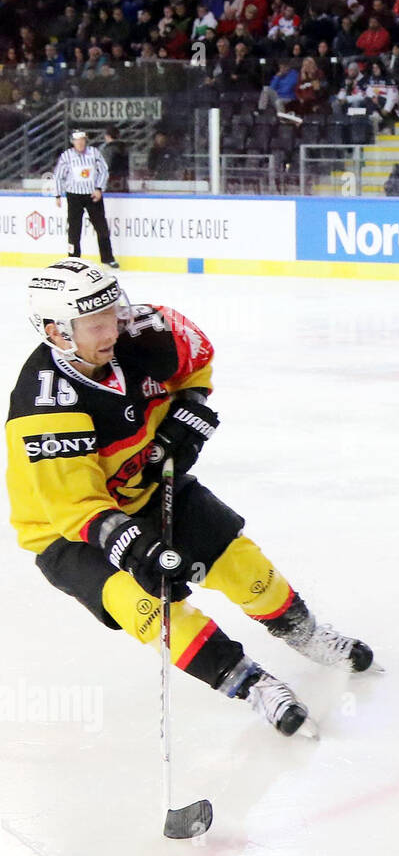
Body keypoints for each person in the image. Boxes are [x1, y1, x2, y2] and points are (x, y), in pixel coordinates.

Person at [7, 261, 378, 739]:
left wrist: (191, 408)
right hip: (71, 534)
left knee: (239, 562)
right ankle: (251, 684)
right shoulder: (45, 406)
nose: (111, 329)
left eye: (111, 312)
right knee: (152, 609)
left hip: (148, 486)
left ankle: (305, 633)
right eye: (94, 323)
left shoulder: (143, 332)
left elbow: (196, 362)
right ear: (57, 332)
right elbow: (77, 508)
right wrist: (137, 548)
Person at [53, 130, 117, 269]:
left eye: (82, 140)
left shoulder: (94, 153)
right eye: (77, 140)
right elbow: (58, 175)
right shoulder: (67, 156)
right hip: (74, 195)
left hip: (92, 195)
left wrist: (99, 188)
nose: (80, 143)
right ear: (73, 142)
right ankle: (73, 259)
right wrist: (58, 194)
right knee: (74, 228)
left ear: (85, 140)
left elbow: (104, 171)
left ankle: (108, 258)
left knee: (101, 227)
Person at [100, 126, 129, 193]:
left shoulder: (108, 149)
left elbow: (105, 167)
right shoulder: (124, 147)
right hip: (123, 180)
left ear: (107, 136)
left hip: (111, 182)